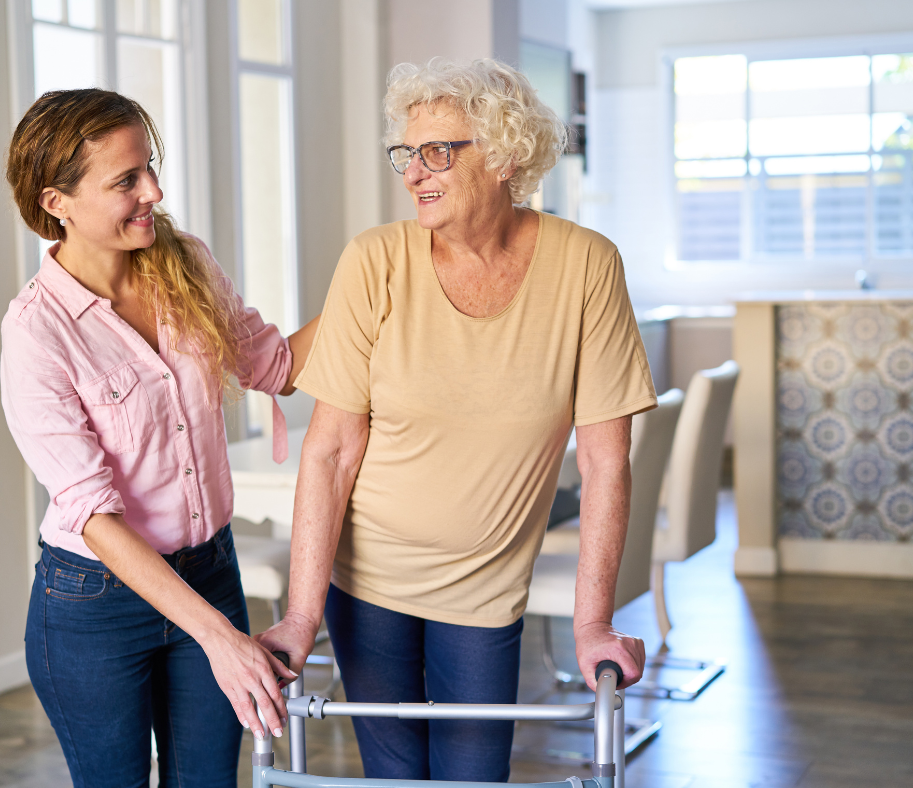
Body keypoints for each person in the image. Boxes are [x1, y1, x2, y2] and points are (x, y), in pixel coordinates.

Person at [256, 59, 656, 782]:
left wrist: (591, 623)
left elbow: (604, 462)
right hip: (366, 583)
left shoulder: (587, 267)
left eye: (439, 151)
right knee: (397, 778)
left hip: (487, 589)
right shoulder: (375, 261)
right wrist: (298, 618)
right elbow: (331, 453)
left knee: (474, 777)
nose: (414, 173)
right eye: (407, 154)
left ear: (504, 157)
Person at [1, 88, 315, 788]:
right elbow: (95, 513)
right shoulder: (36, 333)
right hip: (95, 603)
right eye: (126, 181)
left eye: (150, 167)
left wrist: (377, 282)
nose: (154, 190)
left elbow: (274, 366)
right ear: (58, 202)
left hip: (209, 568)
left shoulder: (186, 263)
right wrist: (219, 637)